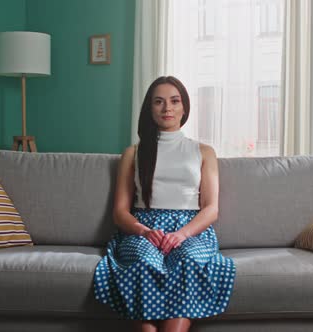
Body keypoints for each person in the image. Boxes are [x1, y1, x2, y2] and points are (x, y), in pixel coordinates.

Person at [94, 76, 236, 332]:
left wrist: (181, 234)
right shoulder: (133, 153)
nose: (167, 108)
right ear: (150, 109)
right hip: (144, 230)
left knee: (188, 261)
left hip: (191, 230)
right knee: (143, 262)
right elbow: (120, 212)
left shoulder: (204, 152)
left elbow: (211, 208)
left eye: (174, 101)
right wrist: (144, 231)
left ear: (184, 107)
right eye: (158, 102)